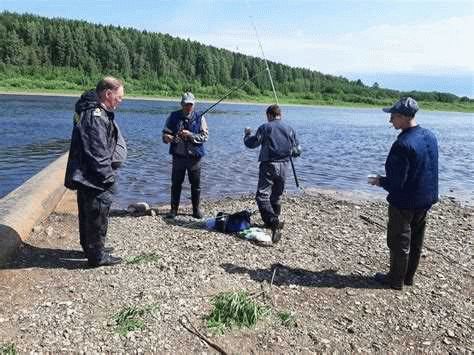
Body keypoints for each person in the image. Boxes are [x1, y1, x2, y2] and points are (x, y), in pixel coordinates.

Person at [368, 97, 438, 290]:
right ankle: (408, 278)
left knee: (398, 241)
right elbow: (428, 169)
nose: (390, 121)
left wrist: (380, 181)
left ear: (403, 117)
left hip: (405, 202)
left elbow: (397, 182)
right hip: (425, 199)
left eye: (393, 116)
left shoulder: (403, 144)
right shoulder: (430, 135)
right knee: (415, 240)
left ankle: (395, 280)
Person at [65, 76, 126, 267]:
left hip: (86, 175)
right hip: (93, 178)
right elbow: (97, 152)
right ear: (108, 94)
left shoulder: (90, 111)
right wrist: (108, 179)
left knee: (88, 214)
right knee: (97, 215)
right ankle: (97, 256)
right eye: (119, 97)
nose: (120, 101)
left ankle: (91, 248)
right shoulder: (95, 116)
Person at [244, 104, 300, 243]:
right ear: (280, 115)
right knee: (277, 195)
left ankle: (273, 221)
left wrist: (247, 135)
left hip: (269, 165)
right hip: (284, 166)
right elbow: (297, 151)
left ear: (269, 115)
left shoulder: (265, 127)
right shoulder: (290, 129)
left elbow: (252, 143)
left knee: (262, 196)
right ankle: (273, 222)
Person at [162, 92, 208, 219]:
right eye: (186, 104)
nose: (188, 107)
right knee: (176, 184)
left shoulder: (200, 117)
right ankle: (173, 210)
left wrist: (190, 135)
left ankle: (196, 210)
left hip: (195, 158)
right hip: (178, 157)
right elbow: (165, 135)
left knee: (196, 185)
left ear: (194, 104)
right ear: (181, 104)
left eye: (191, 104)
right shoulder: (173, 116)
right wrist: (169, 138)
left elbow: (205, 137)